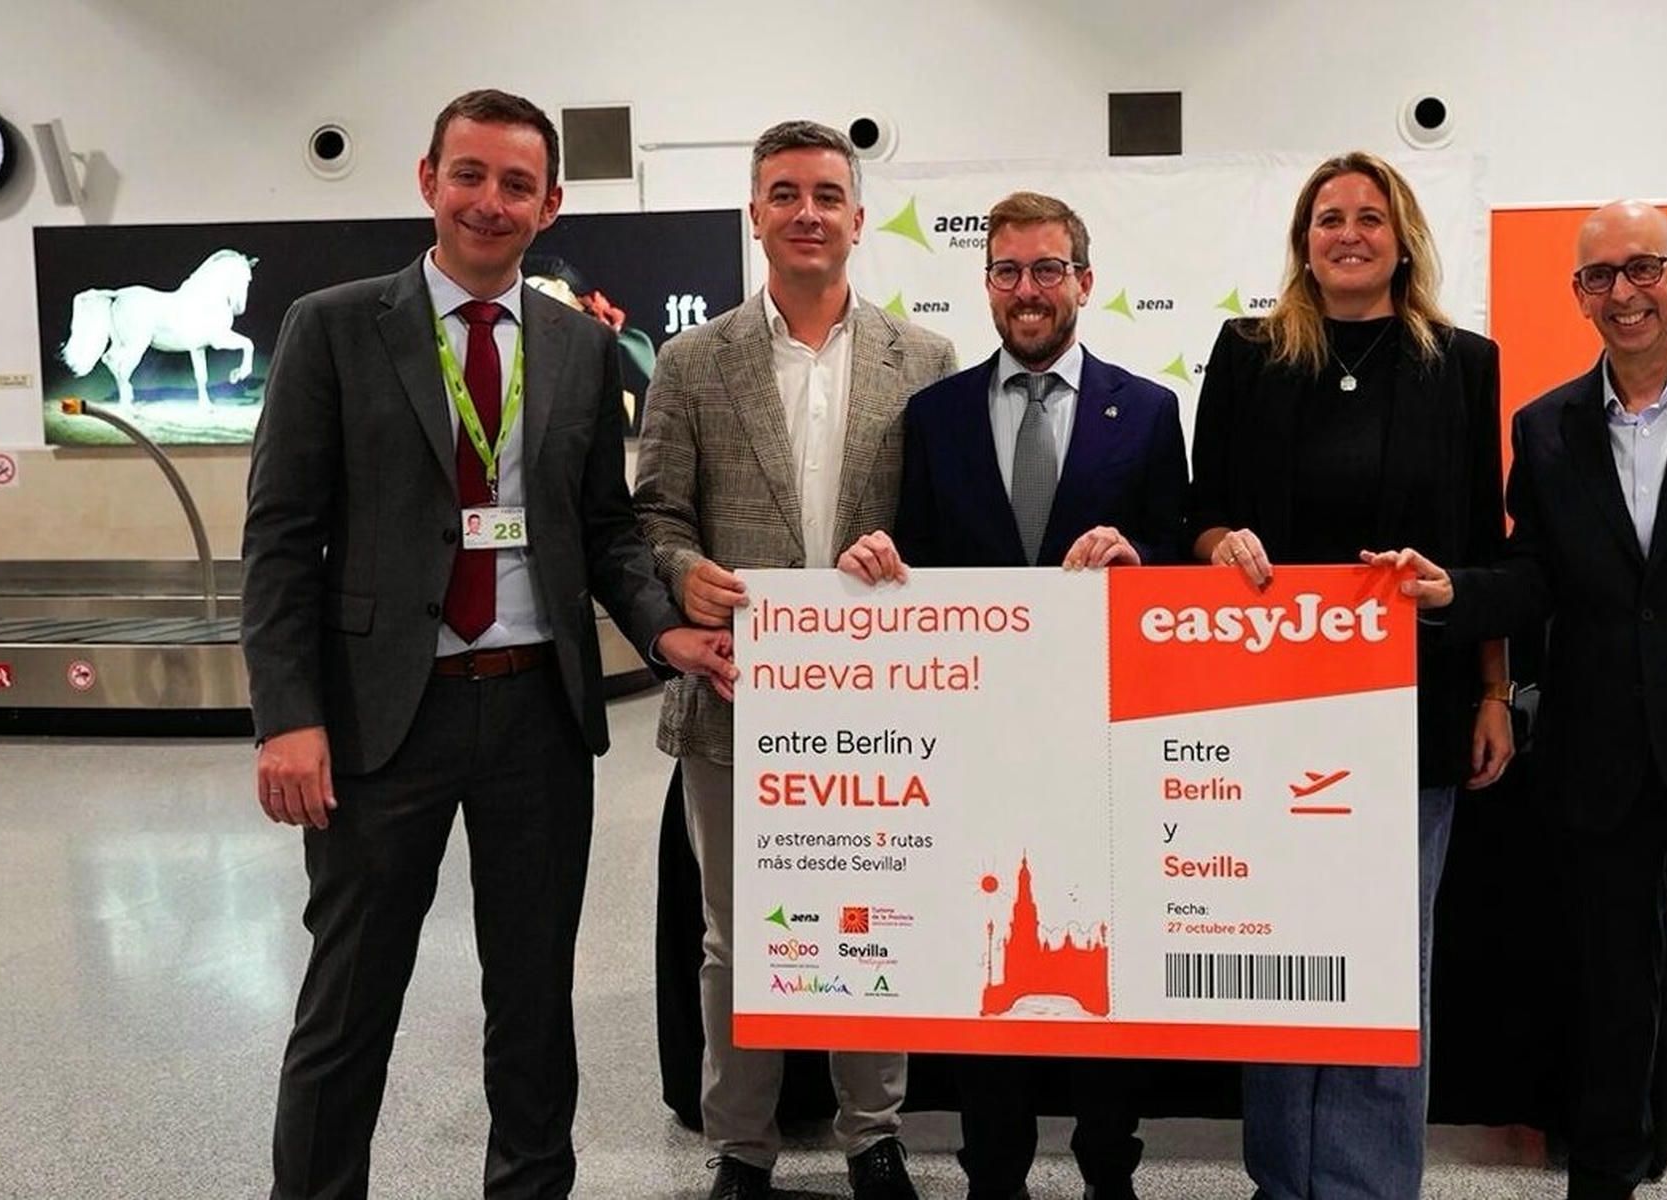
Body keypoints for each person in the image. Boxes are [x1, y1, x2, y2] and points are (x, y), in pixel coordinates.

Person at [241, 88, 734, 1200]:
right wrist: (289, 718)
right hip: (377, 720)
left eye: (518, 184)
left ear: (551, 203)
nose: (490, 202)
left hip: (534, 717)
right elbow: (278, 541)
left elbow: (604, 534)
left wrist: (668, 632)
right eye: (470, 175)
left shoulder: (579, 345)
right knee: (348, 1001)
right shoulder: (332, 326)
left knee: (532, 1002)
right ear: (427, 181)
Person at [1376, 200, 1667, 1200]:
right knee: (1608, 1011)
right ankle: (1602, 1180)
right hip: (1600, 774)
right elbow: (1535, 577)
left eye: (1642, 270)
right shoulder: (1545, 428)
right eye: (1599, 277)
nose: (1622, 293)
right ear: (1577, 296)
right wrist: (1454, 591)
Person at [838, 190, 1189, 1200]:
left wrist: (1140, 557)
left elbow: (1174, 557)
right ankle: (992, 1171)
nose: (1026, 291)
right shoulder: (933, 417)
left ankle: (1108, 1169)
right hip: (977, 746)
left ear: (1085, 280)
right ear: (986, 282)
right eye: (1006, 271)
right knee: (988, 958)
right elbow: (913, 565)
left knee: (1098, 966)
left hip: (1103, 742)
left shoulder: (1149, 408)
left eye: (1046, 270)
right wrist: (874, 562)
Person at [632, 119, 958, 1200]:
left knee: (875, 923)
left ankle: (873, 1133)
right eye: (784, 193)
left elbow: (944, 521)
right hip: (738, 696)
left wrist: (903, 553)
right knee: (737, 941)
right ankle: (742, 1145)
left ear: (859, 221)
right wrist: (682, 574)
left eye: (826, 194)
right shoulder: (691, 361)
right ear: (756, 214)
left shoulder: (927, 360)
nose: (806, 212)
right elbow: (656, 515)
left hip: (882, 703)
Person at [1185, 151, 1513, 1200]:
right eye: (1328, 218)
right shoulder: (1246, 354)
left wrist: (1496, 691)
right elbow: (1198, 513)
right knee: (1277, 950)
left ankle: (1370, 1184)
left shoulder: (1461, 363)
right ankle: (1283, 1177)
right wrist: (1218, 541)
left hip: (1410, 706)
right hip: (1265, 705)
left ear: (1401, 235)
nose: (1349, 233)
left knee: (1381, 960)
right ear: (1303, 239)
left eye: (1370, 217)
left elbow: (1478, 544)